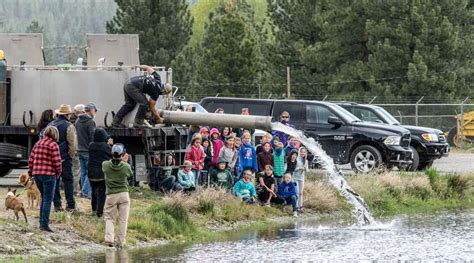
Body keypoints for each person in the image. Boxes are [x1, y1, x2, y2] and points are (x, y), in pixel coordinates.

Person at [28, 126, 62, 232]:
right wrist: (58, 173)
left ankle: (41, 223)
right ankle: (44, 224)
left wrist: (30, 173)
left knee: (43, 198)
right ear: (55, 134)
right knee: (48, 199)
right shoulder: (53, 145)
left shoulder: (37, 144)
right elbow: (57, 162)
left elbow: (31, 160)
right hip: (49, 175)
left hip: (37, 174)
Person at [103, 143, 132, 248]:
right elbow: (130, 174)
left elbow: (106, 169)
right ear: (122, 154)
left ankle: (109, 239)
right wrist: (125, 162)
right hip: (124, 194)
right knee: (123, 220)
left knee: (110, 218)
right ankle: (121, 242)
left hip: (111, 195)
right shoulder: (126, 166)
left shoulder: (105, 165)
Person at [49, 104, 77, 212]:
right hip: (64, 158)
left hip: (52, 157)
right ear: (67, 115)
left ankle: (57, 205)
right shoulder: (69, 125)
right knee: (68, 181)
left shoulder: (51, 124)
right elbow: (72, 144)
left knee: (54, 181)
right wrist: (71, 155)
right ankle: (70, 205)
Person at [75, 102, 98, 199]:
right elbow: (92, 137)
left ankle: (85, 192)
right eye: (95, 110)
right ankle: (85, 192)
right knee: (90, 173)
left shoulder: (77, 121)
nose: (95, 112)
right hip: (88, 151)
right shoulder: (90, 122)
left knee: (84, 172)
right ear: (91, 110)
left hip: (80, 150)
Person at [88, 128, 112, 217]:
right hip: (102, 174)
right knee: (102, 193)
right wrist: (110, 145)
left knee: (93, 192)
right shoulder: (106, 147)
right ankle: (99, 212)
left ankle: (94, 209)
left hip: (91, 173)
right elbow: (112, 156)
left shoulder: (91, 145)